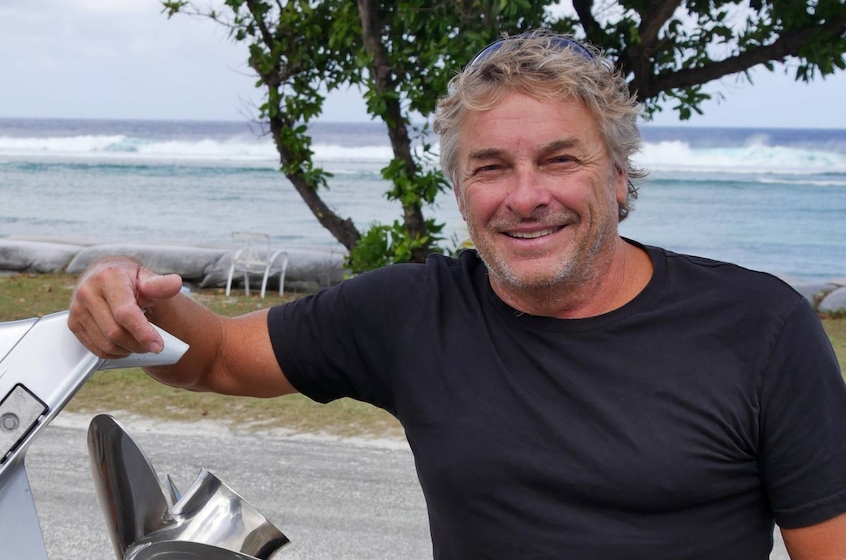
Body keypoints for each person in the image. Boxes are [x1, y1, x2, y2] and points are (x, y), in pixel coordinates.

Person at [68, 30, 846, 559]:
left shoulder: (759, 328)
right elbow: (213, 359)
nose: (526, 195)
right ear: (461, 191)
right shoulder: (412, 313)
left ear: (617, 176)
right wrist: (133, 294)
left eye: (559, 159)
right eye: (491, 168)